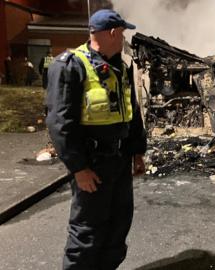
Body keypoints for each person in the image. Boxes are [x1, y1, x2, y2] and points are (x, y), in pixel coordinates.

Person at [46, 9, 147, 269]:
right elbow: (60, 124)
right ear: (113, 33)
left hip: (120, 160)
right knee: (87, 231)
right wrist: (79, 169)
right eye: (122, 33)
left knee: (118, 223)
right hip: (92, 164)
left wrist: (137, 152)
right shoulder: (70, 65)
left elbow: (132, 113)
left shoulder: (121, 67)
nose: (124, 39)